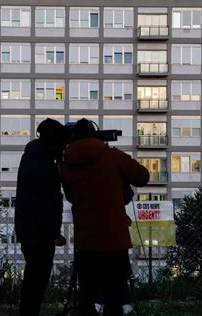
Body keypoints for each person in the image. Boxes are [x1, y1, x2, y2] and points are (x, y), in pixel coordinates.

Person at [61, 119, 150, 316]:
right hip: (114, 239)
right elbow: (142, 176)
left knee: (87, 296)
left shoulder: (66, 163)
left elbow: (71, 196)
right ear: (96, 135)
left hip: (86, 240)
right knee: (114, 297)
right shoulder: (111, 156)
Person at [15, 118, 67, 316]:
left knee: (32, 279)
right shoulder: (44, 167)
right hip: (39, 234)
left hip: (29, 230)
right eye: (61, 143)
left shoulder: (32, 156)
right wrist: (53, 233)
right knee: (37, 280)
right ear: (53, 143)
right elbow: (45, 202)